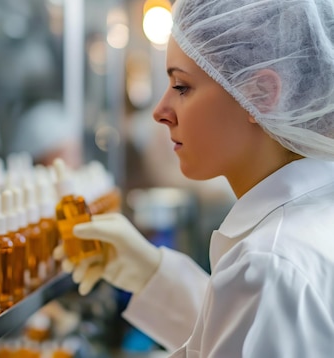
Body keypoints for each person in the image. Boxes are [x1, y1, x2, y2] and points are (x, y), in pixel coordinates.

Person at [54, 0, 334, 356]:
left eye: (181, 86)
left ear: (261, 94)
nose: (160, 112)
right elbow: (237, 332)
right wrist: (150, 274)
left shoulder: (271, 264)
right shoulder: (309, 220)